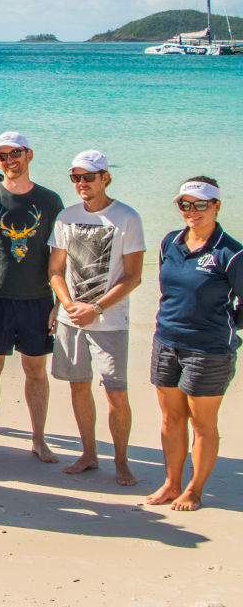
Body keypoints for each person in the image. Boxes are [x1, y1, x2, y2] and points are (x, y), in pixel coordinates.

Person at [0, 131, 64, 461]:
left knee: (36, 372)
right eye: (2, 156)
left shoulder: (50, 201)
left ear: (29, 155)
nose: (9, 161)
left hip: (37, 300)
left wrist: (59, 303)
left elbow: (61, 255)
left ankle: (38, 439)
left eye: (15, 153)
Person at [46, 150, 144, 486]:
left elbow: (133, 276)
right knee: (78, 386)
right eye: (76, 177)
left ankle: (121, 461)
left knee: (116, 393)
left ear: (106, 177)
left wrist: (96, 308)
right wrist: (69, 305)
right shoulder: (65, 217)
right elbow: (55, 270)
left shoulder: (127, 218)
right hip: (71, 319)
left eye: (89, 176)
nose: (83, 183)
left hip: (110, 322)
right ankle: (89, 454)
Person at [145, 177, 239, 511]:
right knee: (171, 418)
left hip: (209, 351)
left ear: (216, 206)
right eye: (185, 204)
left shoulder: (231, 252)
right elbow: (168, 289)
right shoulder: (169, 242)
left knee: (202, 424)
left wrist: (226, 328)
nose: (192, 211)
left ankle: (195, 490)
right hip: (167, 342)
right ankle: (172, 483)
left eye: (200, 204)